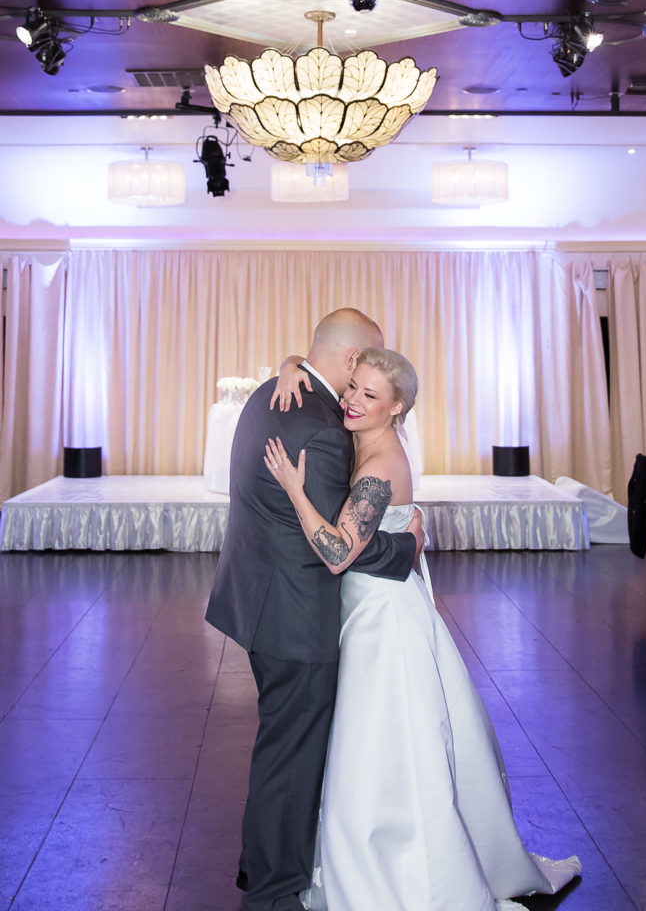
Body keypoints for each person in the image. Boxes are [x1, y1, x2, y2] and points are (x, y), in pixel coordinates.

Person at [266, 346, 582, 911]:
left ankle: (407, 878)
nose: (353, 401)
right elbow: (309, 360)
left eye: (370, 394)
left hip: (384, 623)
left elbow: (338, 552)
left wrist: (294, 489)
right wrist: (292, 364)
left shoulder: (383, 462)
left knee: (387, 747)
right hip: (369, 609)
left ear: (397, 407)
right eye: (353, 387)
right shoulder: (365, 441)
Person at [205, 310, 423, 911]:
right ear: (352, 362)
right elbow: (335, 545)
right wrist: (407, 544)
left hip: (257, 600)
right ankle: (274, 892)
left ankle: (265, 868)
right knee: (291, 757)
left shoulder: (269, 399)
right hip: (295, 616)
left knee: (284, 746)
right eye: (368, 362)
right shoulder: (324, 427)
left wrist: (289, 362)